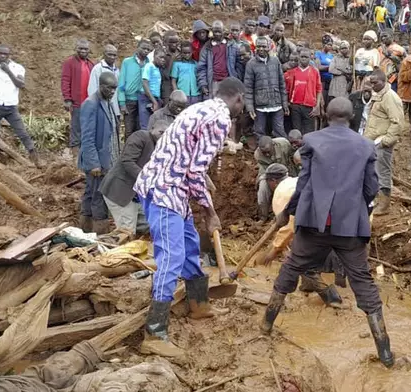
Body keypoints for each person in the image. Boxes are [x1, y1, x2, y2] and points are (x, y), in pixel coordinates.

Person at [260, 97, 394, 368]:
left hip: (314, 223)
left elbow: (305, 183)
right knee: (363, 282)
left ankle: (265, 325)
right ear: (351, 117)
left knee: (291, 268)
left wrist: (288, 212)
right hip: (349, 226)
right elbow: (371, 188)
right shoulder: (366, 146)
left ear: (325, 114)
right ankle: (385, 354)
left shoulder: (311, 140)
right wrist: (355, 209)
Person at [133, 78, 246, 357]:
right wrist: (210, 213)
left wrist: (202, 177)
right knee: (171, 257)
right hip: (165, 190)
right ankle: (155, 332)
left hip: (171, 186)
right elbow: (194, 171)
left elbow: (187, 156)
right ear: (239, 99)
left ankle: (199, 304)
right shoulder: (220, 120)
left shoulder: (200, 108)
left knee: (190, 246)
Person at [258, 163, 346, 303]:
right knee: (310, 258)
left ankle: (333, 299)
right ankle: (311, 286)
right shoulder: (295, 182)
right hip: (338, 220)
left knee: (301, 262)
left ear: (272, 181)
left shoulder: (282, 193)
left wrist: (275, 250)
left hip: (319, 225)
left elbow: (290, 226)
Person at [100, 120, 170, 236]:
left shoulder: (162, 148)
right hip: (120, 193)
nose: (162, 135)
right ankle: (111, 251)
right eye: (160, 132)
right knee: (127, 232)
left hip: (136, 196)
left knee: (152, 223)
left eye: (166, 134)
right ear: (152, 129)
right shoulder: (141, 136)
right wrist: (146, 179)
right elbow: (127, 161)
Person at [0, 44, 40, 166]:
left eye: (5, 54)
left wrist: (8, 71)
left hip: (11, 107)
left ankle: (35, 159)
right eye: (0, 53)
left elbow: (20, 84)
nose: (2, 56)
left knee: (22, 132)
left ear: (9, 55)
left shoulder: (17, 68)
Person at [78, 72, 119, 235]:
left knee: (90, 192)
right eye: (110, 88)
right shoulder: (91, 104)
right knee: (99, 195)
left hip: (105, 158)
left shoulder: (106, 101)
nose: (113, 92)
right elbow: (87, 137)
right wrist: (94, 163)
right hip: (96, 160)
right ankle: (101, 231)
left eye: (115, 89)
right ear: (101, 86)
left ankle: (86, 228)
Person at [364, 69, 404, 215]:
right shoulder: (378, 95)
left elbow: (398, 122)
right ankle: (376, 200)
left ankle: (384, 204)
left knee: (382, 172)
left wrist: (386, 141)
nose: (373, 85)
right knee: (373, 172)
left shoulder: (390, 97)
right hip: (373, 141)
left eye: (375, 82)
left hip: (382, 141)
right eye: (371, 82)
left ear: (384, 81)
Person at [245, 36, 289, 138]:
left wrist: (284, 104)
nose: (261, 49)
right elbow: (248, 88)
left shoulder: (275, 61)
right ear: (255, 48)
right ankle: (262, 152)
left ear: (268, 47)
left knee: (279, 131)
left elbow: (282, 84)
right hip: (260, 105)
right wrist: (250, 107)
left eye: (264, 46)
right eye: (259, 46)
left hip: (276, 103)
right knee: (259, 132)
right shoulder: (251, 64)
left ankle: (282, 151)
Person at [61, 39, 94, 155]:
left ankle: (84, 151)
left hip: (89, 102)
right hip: (76, 101)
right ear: (76, 48)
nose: (83, 51)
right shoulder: (69, 62)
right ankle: (75, 152)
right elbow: (65, 80)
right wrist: (67, 98)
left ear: (89, 50)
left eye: (85, 49)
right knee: (76, 126)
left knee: (87, 126)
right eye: (80, 48)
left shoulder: (91, 64)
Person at [255, 136, 298, 219]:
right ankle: (263, 216)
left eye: (268, 151)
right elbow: (265, 172)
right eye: (264, 152)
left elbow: (294, 158)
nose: (267, 154)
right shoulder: (258, 155)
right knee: (262, 187)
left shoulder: (284, 144)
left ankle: (292, 213)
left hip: (287, 172)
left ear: (273, 145)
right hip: (271, 176)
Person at [197, 21, 240, 101]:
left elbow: (238, 63)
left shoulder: (232, 45)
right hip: (213, 82)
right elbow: (201, 67)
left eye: (219, 31)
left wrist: (236, 78)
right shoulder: (207, 47)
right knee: (214, 107)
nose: (217, 34)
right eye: (215, 32)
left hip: (228, 81)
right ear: (212, 32)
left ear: (223, 31)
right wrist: (203, 84)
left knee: (228, 105)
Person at [119, 40, 152, 140]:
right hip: (130, 100)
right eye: (143, 48)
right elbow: (121, 83)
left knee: (141, 129)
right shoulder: (127, 62)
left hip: (143, 100)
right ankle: (127, 154)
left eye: (148, 49)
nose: (146, 51)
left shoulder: (149, 64)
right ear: (137, 47)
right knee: (129, 129)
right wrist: (122, 102)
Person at [285, 49, 322, 135]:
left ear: (310, 58)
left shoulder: (315, 72)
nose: (304, 59)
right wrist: (287, 102)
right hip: (295, 106)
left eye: (306, 57)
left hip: (309, 106)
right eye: (302, 57)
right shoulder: (292, 72)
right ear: (299, 58)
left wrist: (317, 106)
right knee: (296, 130)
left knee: (309, 131)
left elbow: (319, 89)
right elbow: (287, 89)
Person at [88, 45, 120, 118]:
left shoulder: (117, 70)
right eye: (109, 54)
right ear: (104, 54)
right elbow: (92, 89)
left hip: (114, 107)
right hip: (101, 107)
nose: (112, 57)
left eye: (114, 55)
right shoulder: (98, 69)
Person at [139, 48, 166, 130]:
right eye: (160, 57)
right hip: (146, 98)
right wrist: (154, 101)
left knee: (153, 125)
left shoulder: (157, 68)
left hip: (154, 98)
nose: (163, 60)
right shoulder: (149, 66)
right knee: (145, 125)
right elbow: (144, 83)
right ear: (154, 56)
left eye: (164, 58)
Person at [160, 31, 181, 104]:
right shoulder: (162, 55)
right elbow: (166, 75)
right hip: (167, 89)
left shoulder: (181, 53)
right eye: (171, 42)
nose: (174, 44)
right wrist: (173, 60)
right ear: (166, 42)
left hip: (180, 86)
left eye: (176, 42)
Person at [315, 36, 334, 107]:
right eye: (328, 44)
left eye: (331, 45)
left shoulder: (331, 56)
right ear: (323, 44)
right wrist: (329, 67)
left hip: (331, 80)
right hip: (322, 79)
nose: (330, 46)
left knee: (328, 100)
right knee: (321, 99)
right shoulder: (318, 54)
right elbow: (318, 67)